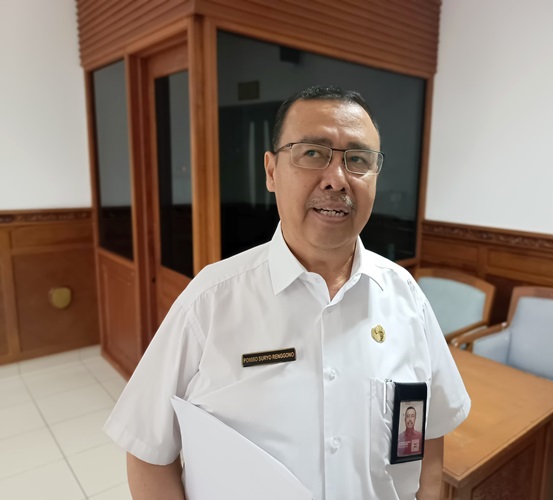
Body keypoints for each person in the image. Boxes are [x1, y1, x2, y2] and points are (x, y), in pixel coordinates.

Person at [104, 85, 471, 500]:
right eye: (312, 153)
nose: (336, 179)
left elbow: (430, 433)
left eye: (358, 159)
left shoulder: (406, 297)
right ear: (271, 171)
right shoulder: (210, 301)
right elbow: (149, 452)